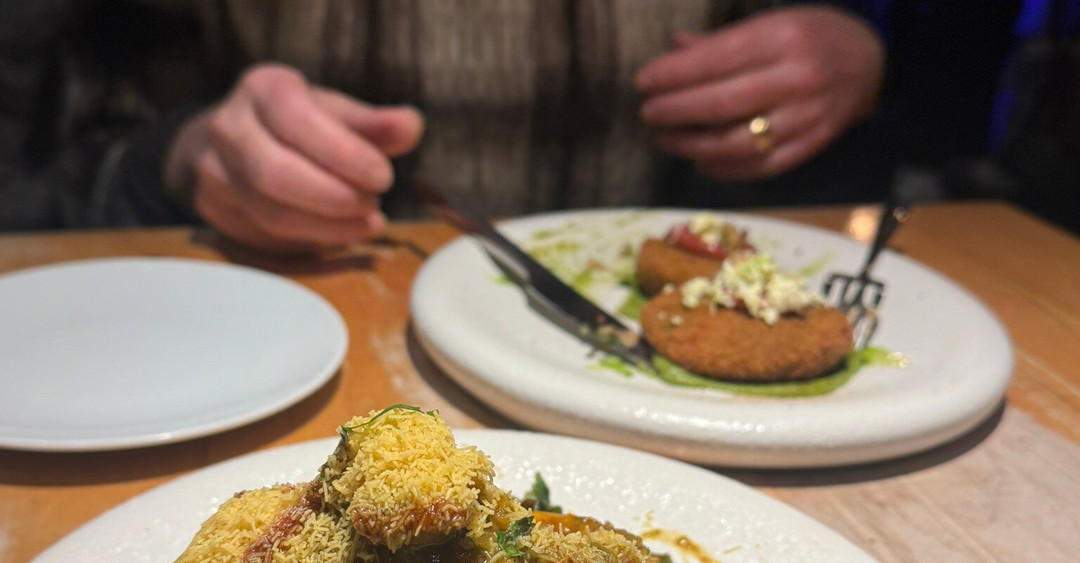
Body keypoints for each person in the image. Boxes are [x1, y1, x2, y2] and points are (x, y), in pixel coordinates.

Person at [0, 1, 1025, 251]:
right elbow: (56, 170)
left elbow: (941, 106)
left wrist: (862, 43)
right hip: (298, 296)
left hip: (689, 308)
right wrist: (188, 154)